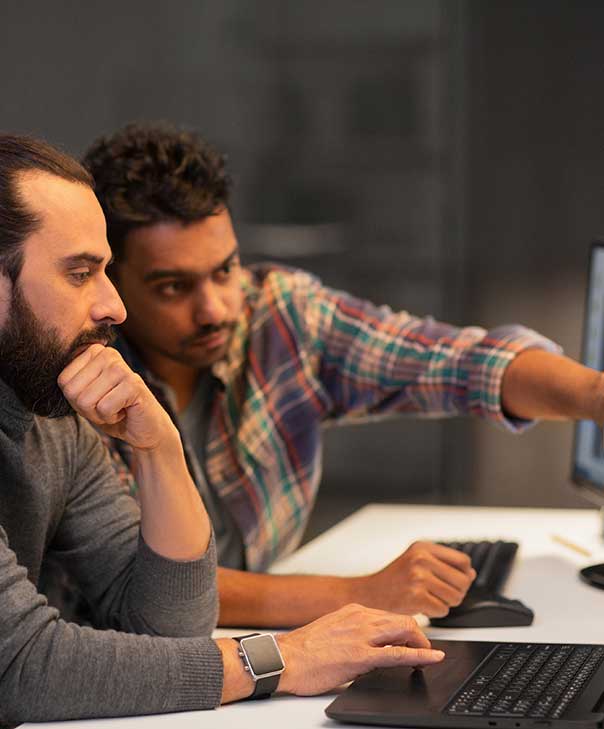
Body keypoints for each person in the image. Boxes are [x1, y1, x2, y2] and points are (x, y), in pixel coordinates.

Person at [0, 132, 446, 727]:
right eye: (80, 274)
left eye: (104, 271)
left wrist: (161, 450)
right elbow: (21, 669)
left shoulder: (53, 419)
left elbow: (169, 625)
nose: (115, 307)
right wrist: (282, 658)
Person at [82, 121, 604, 629]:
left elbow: (457, 362)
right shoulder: (86, 388)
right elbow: (145, 586)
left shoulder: (280, 316)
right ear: (111, 280)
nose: (214, 309)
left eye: (224, 271)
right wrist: (360, 594)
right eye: (173, 287)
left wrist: (592, 393)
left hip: (263, 641)